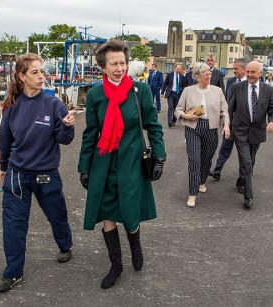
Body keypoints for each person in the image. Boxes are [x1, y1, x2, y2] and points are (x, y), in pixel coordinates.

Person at [78, 40, 166, 289]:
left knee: (129, 213)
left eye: (123, 63)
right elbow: (90, 133)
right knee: (107, 214)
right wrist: (84, 167)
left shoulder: (141, 91)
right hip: (103, 163)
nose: (120, 68)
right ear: (103, 67)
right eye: (114, 63)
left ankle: (135, 245)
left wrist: (160, 156)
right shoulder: (95, 94)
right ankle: (115, 265)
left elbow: (153, 125)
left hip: (131, 161)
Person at [0, 53, 77, 293]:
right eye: (35, 72)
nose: (42, 77)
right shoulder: (12, 105)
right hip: (17, 175)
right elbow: (5, 139)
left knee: (57, 214)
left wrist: (68, 126)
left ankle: (65, 245)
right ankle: (13, 273)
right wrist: (3, 165)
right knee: (13, 224)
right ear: (22, 76)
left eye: (42, 72)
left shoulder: (53, 104)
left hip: (46, 174)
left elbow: (64, 139)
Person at [174, 62, 230, 207]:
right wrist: (186, 117)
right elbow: (178, 110)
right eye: (206, 74)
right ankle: (192, 193)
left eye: (209, 74)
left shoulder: (217, 91)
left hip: (211, 128)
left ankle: (202, 180)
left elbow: (224, 111)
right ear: (197, 76)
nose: (209, 76)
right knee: (194, 160)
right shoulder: (188, 90)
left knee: (206, 159)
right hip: (193, 127)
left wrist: (226, 125)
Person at [227, 61, 273, 209]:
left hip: (257, 131)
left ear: (260, 73)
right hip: (240, 130)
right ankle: (248, 196)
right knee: (247, 161)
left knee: (251, 160)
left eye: (253, 72)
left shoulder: (268, 89)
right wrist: (228, 126)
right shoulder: (238, 87)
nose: (249, 75)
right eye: (248, 71)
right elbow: (230, 108)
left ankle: (241, 180)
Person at [210, 58, 247, 181]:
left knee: (244, 154)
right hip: (230, 122)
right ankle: (217, 170)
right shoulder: (231, 81)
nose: (234, 70)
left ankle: (242, 180)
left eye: (236, 68)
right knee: (225, 147)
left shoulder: (251, 83)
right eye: (234, 68)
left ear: (244, 69)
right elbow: (226, 100)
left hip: (245, 126)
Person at [161, 63, 185, 127]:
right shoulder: (169, 75)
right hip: (170, 93)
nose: (178, 70)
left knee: (176, 108)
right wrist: (162, 92)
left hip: (178, 94)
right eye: (177, 69)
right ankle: (169, 121)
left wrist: (181, 89)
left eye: (180, 69)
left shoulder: (182, 76)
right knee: (170, 107)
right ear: (175, 68)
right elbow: (165, 83)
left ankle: (174, 120)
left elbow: (184, 85)